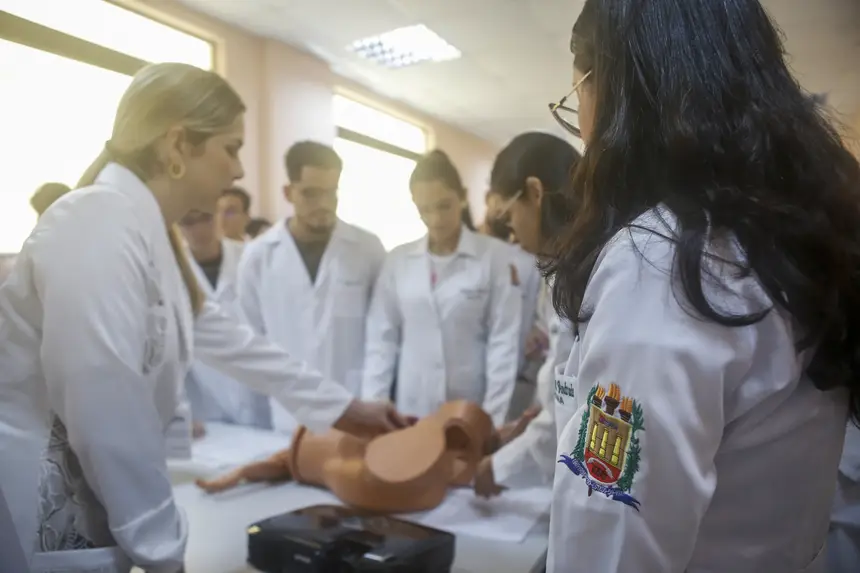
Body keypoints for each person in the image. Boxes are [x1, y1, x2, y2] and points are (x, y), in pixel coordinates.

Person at [0, 62, 405, 573]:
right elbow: (104, 407)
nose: (238, 170)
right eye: (230, 148)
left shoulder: (151, 235)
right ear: (176, 146)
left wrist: (345, 408)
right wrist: (163, 551)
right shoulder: (95, 221)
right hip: (47, 505)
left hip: (100, 507)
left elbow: (228, 338)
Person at [545, 1, 860, 572]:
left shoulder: (663, 263)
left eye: (578, 102)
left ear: (615, 95)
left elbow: (611, 548)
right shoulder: (788, 238)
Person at [362, 149, 523, 426]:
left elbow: (503, 343)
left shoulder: (495, 257)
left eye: (444, 205)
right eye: (424, 209)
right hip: (411, 405)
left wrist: (491, 420)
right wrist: (375, 404)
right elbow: (381, 338)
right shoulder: (398, 261)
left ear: (462, 196)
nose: (435, 219)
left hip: (469, 405)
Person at [237, 141, 386, 433]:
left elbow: (382, 336)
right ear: (288, 192)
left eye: (332, 192)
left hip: (354, 408)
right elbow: (251, 344)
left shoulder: (367, 249)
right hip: (287, 416)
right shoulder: (258, 256)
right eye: (311, 193)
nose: (324, 204)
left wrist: (374, 401)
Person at [472, 132, 581, 498]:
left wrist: (496, 469)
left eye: (509, 216)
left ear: (535, 193)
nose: (512, 234)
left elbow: (569, 419)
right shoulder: (561, 271)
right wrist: (537, 413)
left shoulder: (587, 280)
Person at [177, 209, 261, 428]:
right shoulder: (170, 271)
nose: (198, 229)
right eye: (189, 222)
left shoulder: (251, 257)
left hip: (259, 391)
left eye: (205, 218)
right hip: (207, 403)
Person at [482, 186, 544, 419]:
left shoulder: (533, 261)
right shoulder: (485, 256)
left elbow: (541, 320)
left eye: (506, 210)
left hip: (520, 371)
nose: (499, 215)